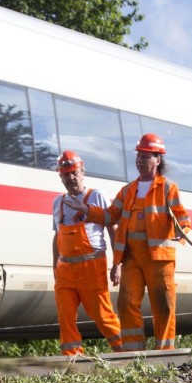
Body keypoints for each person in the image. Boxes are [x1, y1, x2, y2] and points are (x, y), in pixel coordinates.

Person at [65, 133, 190, 351]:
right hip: (131, 258)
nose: (140, 160)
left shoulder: (168, 188)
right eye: (138, 156)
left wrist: (182, 230)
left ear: (158, 159)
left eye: (145, 156)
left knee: (164, 306)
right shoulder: (128, 190)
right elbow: (110, 216)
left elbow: (181, 215)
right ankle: (134, 355)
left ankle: (165, 354)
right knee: (126, 304)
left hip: (159, 258)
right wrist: (87, 210)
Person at [52, 150, 123, 355]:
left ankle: (125, 354)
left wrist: (117, 264)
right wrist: (54, 267)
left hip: (92, 267)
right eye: (66, 174)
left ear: (82, 172)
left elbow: (112, 230)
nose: (71, 177)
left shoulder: (97, 196)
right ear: (61, 176)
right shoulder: (58, 202)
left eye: (74, 172)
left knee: (102, 315)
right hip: (65, 270)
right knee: (65, 317)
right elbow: (57, 236)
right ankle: (72, 360)